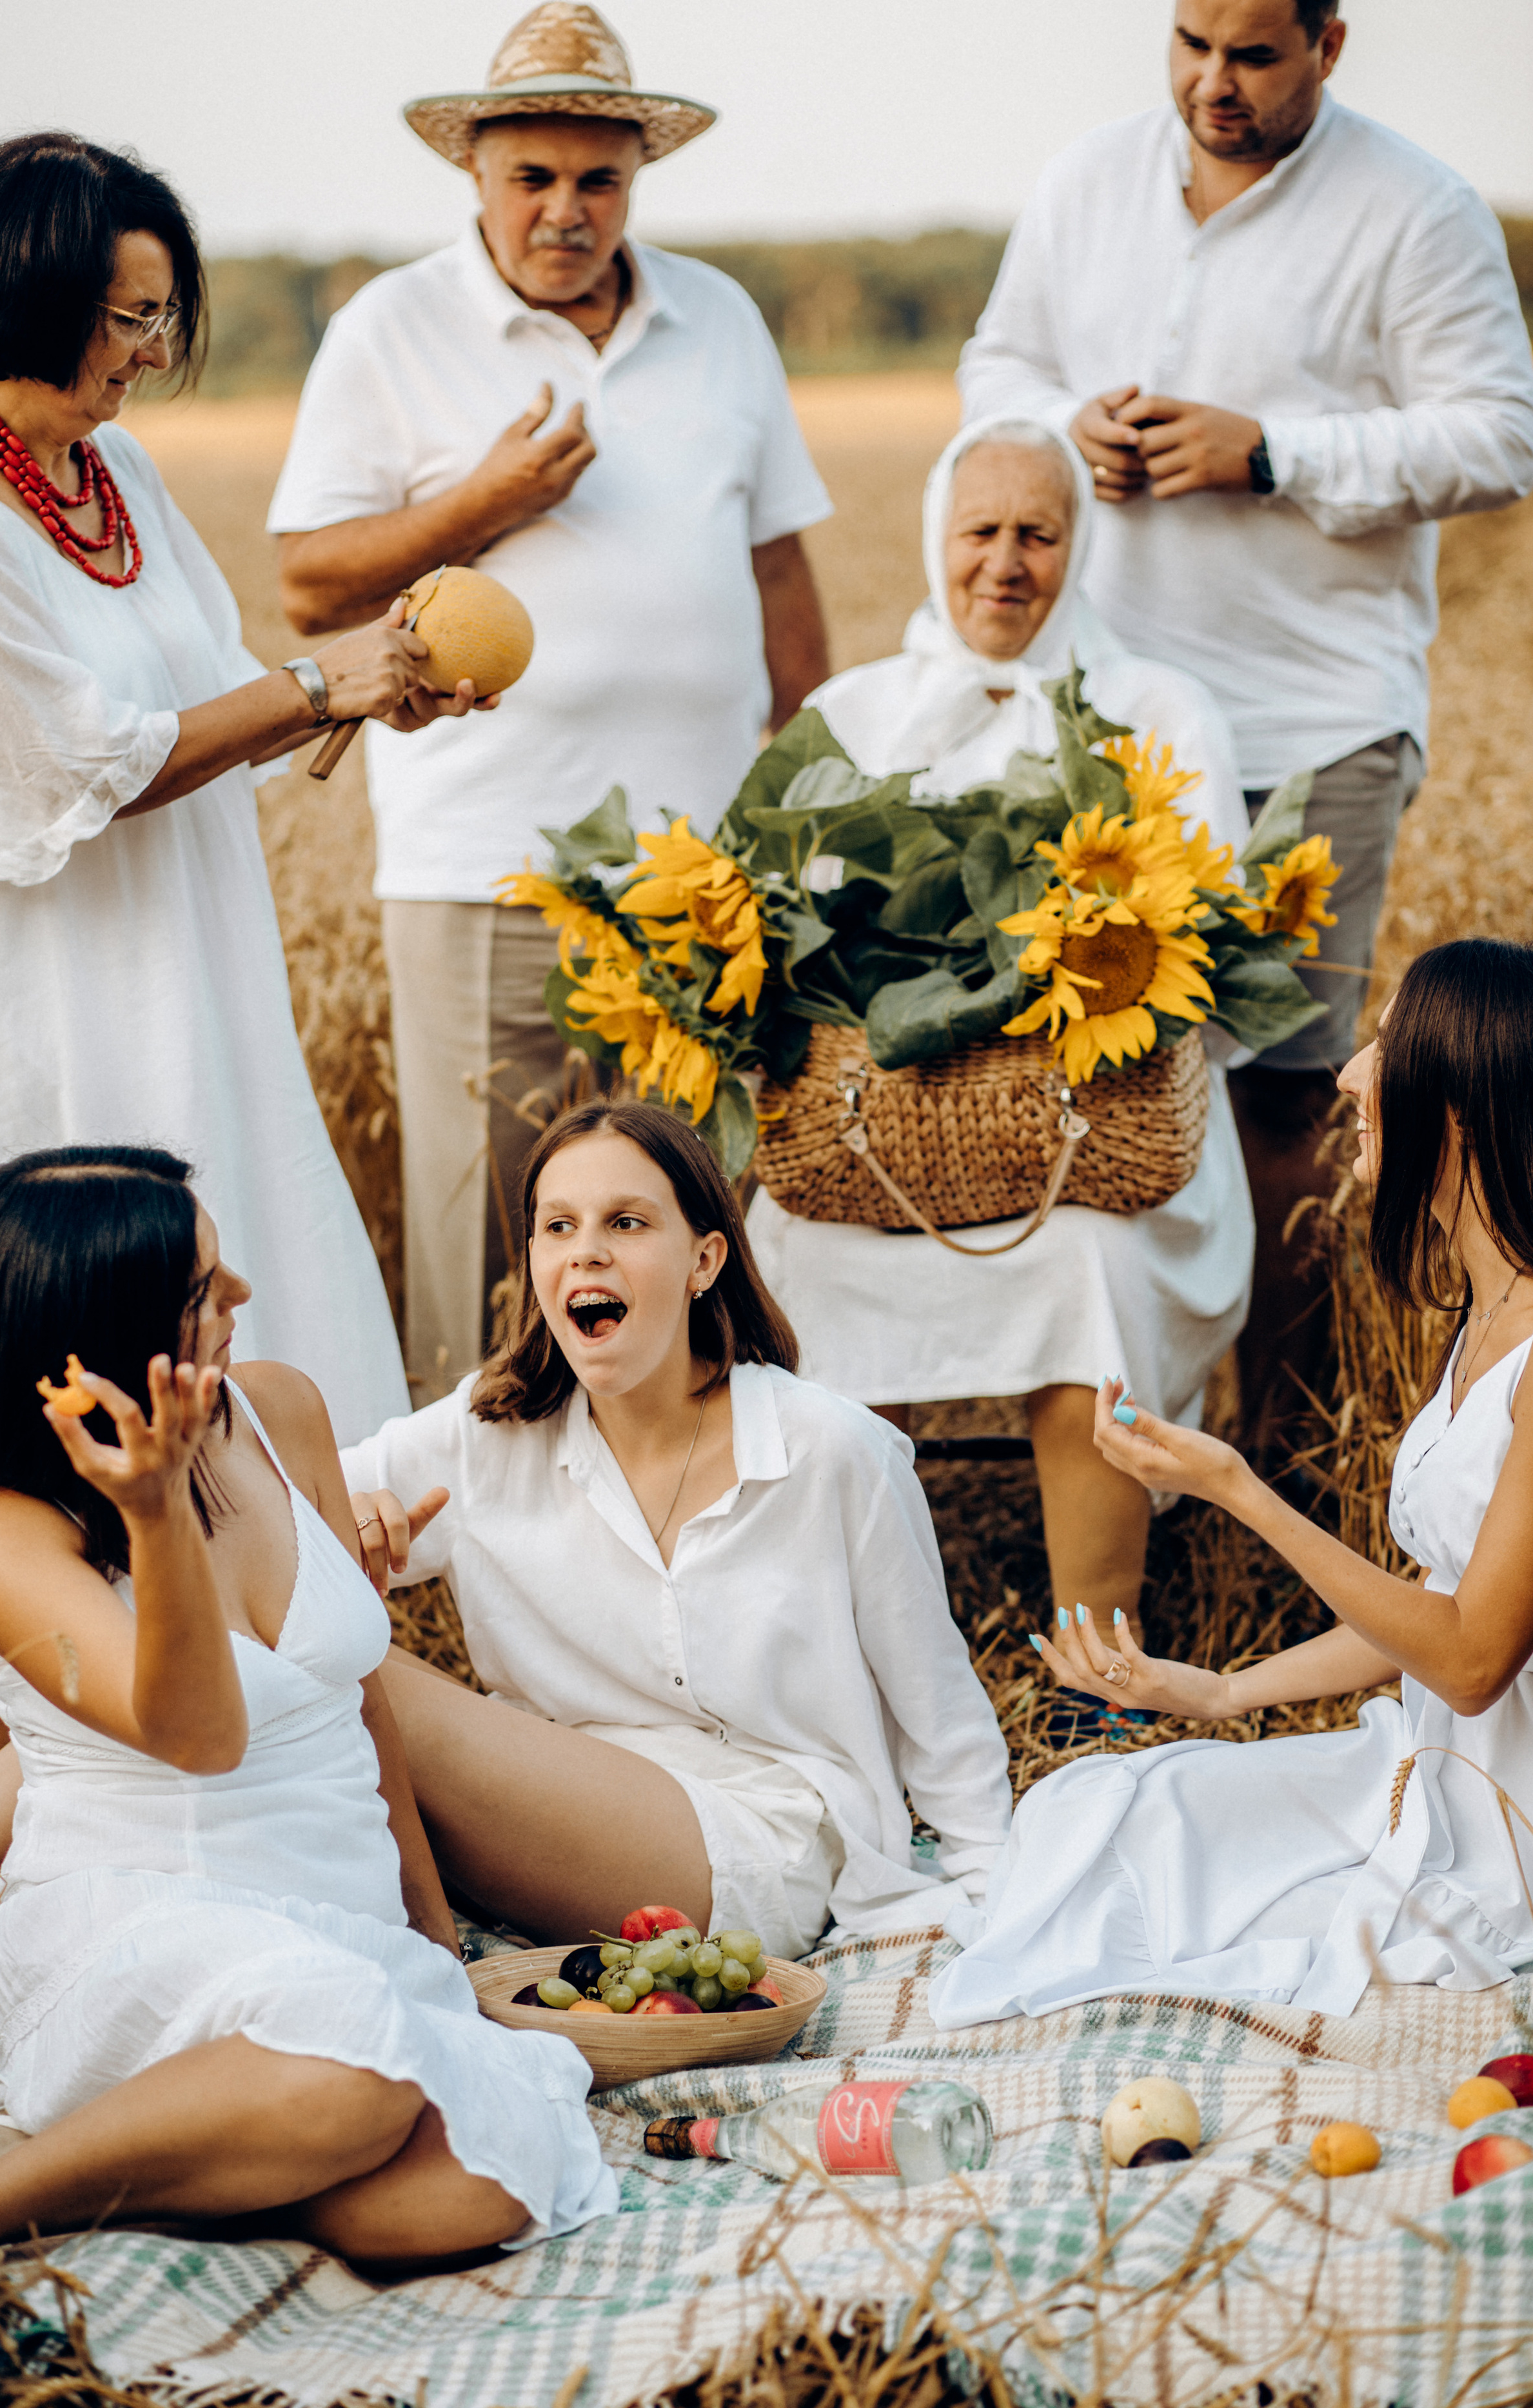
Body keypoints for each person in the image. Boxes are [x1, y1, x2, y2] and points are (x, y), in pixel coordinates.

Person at [0, 1105, 1011, 1974]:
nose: (588, 1256)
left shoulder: (832, 1451)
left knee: (332, 1675)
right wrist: (338, 1537)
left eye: (628, 1224)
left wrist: (995, 1899)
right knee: (220, 1670)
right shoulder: (494, 1428)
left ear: (705, 1260)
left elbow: (942, 1712)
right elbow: (307, 1501)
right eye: (558, 1228)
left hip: (756, 1843)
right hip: (540, 1824)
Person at [0, 133, 489, 1599]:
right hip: (48, 985)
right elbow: (92, 763)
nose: (155, 351)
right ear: (32, 295)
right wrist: (312, 682)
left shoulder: (115, 469)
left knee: (225, 1220)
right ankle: (67, 1622)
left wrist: (366, 688)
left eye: (165, 313)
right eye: (132, 315)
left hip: (187, 956)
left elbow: (213, 695)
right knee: (86, 1281)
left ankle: (272, 1575)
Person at [958, 0, 1533, 1455]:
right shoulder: (1087, 179)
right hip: (1110, 726)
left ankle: (1274, 1445)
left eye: (1254, 55)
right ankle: (1110, 1428)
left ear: (1328, 46)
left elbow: (1500, 433)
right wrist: (1059, 428)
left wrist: (1267, 452)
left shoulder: (1414, 207)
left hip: (1311, 718)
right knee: (1101, 1074)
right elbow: (995, 368)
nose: (1212, 84)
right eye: (1188, 44)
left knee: (1285, 1096)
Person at [0, 1148, 615, 2261]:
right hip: (144, 1924)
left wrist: (429, 1932)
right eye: (200, 1291)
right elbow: (198, 1733)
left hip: (344, 1935)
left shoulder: (279, 1410)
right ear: (109, 1331)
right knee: (357, 2082)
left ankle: (138, 2155)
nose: (241, 1301)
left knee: (478, 2193)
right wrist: (157, 1511)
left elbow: (358, 1703)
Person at [268, 3, 833, 1399]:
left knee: (681, 1217)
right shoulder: (390, 330)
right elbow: (303, 585)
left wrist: (805, 799)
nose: (565, 211)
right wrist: (484, 504)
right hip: (484, 864)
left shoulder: (720, 318)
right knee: (495, 1226)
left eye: (598, 180)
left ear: (637, 176)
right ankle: (466, 1546)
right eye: (533, 179)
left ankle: (669, 1499)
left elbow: (777, 565)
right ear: (475, 175)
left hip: (691, 877)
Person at [931, 939, 1533, 2028]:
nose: (1349, 1073)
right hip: (1425, 1772)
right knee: (1100, 1805)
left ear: (1459, 1104)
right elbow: (1429, 1606)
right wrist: (1215, 1693)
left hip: (1504, 1823)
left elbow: (1477, 1658)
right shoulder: (1478, 1321)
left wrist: (1241, 1493)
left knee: (1182, 1921)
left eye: (1386, 1047)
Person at [747, 418, 1254, 1657]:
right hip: (867, 1145)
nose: (1006, 563)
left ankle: (1098, 1647)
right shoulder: (852, 710)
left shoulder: (1152, 707)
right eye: (981, 531)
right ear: (938, 538)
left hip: (1101, 1146)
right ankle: (826, 1632)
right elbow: (774, 930)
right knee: (778, 1251)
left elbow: (1211, 947)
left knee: (1088, 1266)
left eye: (1041, 533)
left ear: (1080, 550)